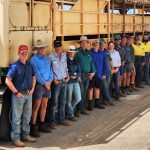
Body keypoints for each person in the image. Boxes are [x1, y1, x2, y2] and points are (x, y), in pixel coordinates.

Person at [5, 45, 36, 147]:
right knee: (17, 118)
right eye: (22, 53)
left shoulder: (30, 65)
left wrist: (32, 90)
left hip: (28, 94)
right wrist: (15, 92)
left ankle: (26, 135)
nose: (24, 54)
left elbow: (34, 78)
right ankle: (16, 138)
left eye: (26, 52)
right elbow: (7, 80)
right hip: (19, 95)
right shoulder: (15, 66)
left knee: (27, 117)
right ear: (19, 54)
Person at [30, 39, 53, 137]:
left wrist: (50, 81)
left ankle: (42, 125)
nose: (42, 49)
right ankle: (33, 127)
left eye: (43, 47)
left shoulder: (47, 58)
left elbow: (50, 70)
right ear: (37, 49)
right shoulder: (34, 59)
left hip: (47, 84)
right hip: (40, 85)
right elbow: (36, 74)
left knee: (44, 105)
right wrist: (45, 83)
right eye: (40, 48)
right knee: (36, 106)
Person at [49, 40, 70, 128]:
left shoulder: (64, 55)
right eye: (56, 46)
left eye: (59, 46)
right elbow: (49, 70)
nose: (58, 48)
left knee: (63, 101)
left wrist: (68, 76)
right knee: (54, 102)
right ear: (54, 47)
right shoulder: (50, 57)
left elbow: (66, 67)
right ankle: (52, 122)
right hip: (56, 82)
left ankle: (61, 120)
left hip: (64, 81)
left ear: (61, 46)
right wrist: (53, 79)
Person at [75, 36, 96, 116]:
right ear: (80, 43)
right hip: (80, 76)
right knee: (81, 93)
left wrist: (93, 72)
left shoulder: (88, 52)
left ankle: (82, 108)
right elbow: (75, 64)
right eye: (82, 42)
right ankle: (78, 110)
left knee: (84, 93)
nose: (84, 44)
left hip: (87, 76)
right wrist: (78, 75)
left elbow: (91, 63)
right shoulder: (77, 52)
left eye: (85, 42)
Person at [66, 45, 81, 121]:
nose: (72, 53)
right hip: (69, 81)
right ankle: (70, 114)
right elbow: (65, 70)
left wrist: (77, 76)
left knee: (78, 98)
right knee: (68, 99)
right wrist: (70, 75)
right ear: (68, 52)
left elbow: (79, 70)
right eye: (70, 52)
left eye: (73, 52)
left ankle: (70, 109)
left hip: (75, 81)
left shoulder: (76, 60)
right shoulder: (65, 60)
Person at [99, 38, 114, 106]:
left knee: (106, 87)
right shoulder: (98, 52)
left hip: (108, 71)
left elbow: (110, 60)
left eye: (103, 43)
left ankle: (103, 100)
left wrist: (112, 68)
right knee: (104, 87)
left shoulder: (107, 51)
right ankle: (109, 100)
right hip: (102, 73)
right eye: (101, 44)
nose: (102, 45)